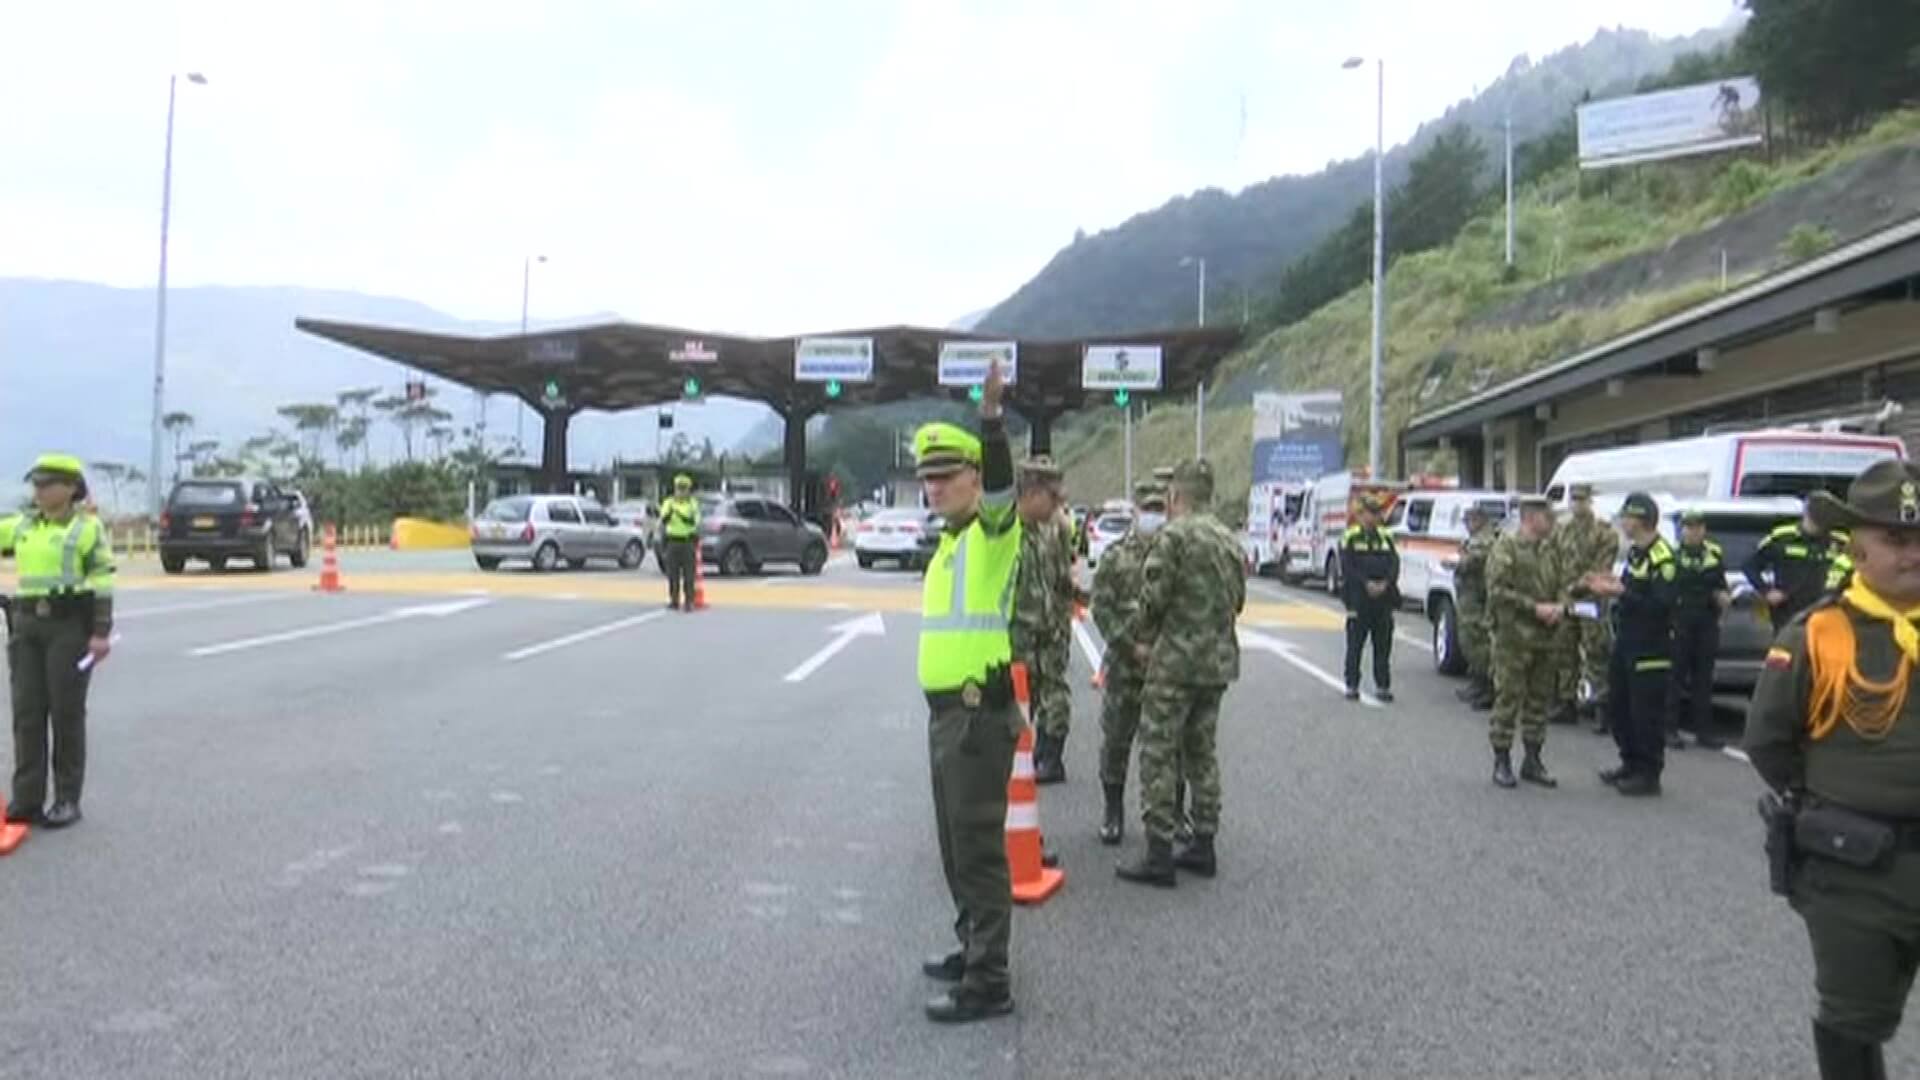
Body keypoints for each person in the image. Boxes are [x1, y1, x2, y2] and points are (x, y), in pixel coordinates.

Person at [1745, 459, 1920, 1080]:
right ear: (1858, 549)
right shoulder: (1816, 634)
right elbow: (1768, 741)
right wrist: (1832, 799)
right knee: (1852, 1026)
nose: (1913, 555)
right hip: (1858, 872)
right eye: (1897, 540)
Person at [913, 361, 1021, 1024]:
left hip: (977, 716)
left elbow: (1007, 491)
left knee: (978, 850)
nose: (934, 488)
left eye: (947, 477)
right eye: (928, 479)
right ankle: (971, 947)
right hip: (947, 716)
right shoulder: (949, 545)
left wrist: (990, 420)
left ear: (977, 479)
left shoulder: (991, 533)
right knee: (955, 847)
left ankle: (989, 981)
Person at [1115, 459, 1244, 886]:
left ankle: (1158, 852)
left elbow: (1152, 601)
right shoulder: (1228, 539)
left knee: (1158, 751)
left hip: (1174, 665)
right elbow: (1238, 601)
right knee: (1201, 752)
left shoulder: (1175, 536)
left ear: (1175, 497)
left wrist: (1134, 637)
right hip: (1217, 663)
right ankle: (1203, 842)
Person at [2, 455, 115, 829]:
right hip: (25, 626)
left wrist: (100, 633)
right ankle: (27, 798)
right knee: (27, 714)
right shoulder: (22, 527)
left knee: (65, 713)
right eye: (35, 483)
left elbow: (102, 581)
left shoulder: (88, 529)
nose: (39, 490)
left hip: (68, 627)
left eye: (47, 483)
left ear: (70, 488)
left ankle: (67, 798)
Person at [1090, 480, 1167, 845]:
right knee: (1117, 742)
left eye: (1159, 508)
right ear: (1135, 511)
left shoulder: (1175, 555)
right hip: (1125, 666)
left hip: (1166, 668)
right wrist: (1127, 644)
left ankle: (1166, 819)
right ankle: (1112, 811)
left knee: (1166, 747)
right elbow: (1100, 608)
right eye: (1147, 508)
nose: (1153, 515)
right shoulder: (1115, 556)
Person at [1589, 492, 1677, 797]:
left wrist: (1621, 593)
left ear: (1641, 520)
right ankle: (1629, 762)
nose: (1623, 523)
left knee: (1646, 714)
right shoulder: (1637, 553)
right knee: (1618, 707)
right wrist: (1614, 587)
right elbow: (1630, 590)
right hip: (1627, 642)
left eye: (1627, 517)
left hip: (1650, 647)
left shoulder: (1662, 557)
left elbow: (1662, 605)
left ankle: (1648, 773)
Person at [1484, 496, 1562, 789]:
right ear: (1530, 517)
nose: (1551, 519)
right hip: (1513, 638)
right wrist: (1534, 608)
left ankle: (1533, 760)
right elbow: (1497, 590)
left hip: (1545, 637)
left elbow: (1562, 583)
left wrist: (1560, 606)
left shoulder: (1549, 550)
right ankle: (1501, 760)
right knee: (1508, 699)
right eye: (1546, 515)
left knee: (1539, 700)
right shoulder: (1507, 547)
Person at [1011, 456, 1076, 784]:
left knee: (1054, 698)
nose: (1059, 504)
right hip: (1015, 641)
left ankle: (1049, 757)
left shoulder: (1047, 532)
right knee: (1017, 709)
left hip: (1047, 636)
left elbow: (1060, 579)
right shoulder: (1006, 534)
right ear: (1032, 493)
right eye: (1052, 496)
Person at [1552, 484, 1621, 732]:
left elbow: (1603, 568)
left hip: (1591, 599)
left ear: (1590, 501)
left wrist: (1580, 585)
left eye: (1581, 500)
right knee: (1564, 649)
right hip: (1567, 599)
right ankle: (1566, 702)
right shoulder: (1562, 529)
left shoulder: (1604, 532)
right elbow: (1554, 560)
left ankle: (1604, 709)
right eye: (1574, 499)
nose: (1577, 504)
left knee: (1596, 652)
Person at [1670, 509, 1731, 750]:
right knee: (1675, 677)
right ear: (1681, 530)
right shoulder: (1673, 557)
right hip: (1680, 620)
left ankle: (1704, 732)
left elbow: (1720, 585)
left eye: (1697, 527)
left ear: (1704, 530)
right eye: (1688, 527)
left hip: (1706, 621)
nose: (1693, 531)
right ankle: (1669, 729)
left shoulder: (1713, 555)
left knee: (1703, 679)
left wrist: (1723, 598)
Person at [1745, 499, 1849, 635]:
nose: (1820, 526)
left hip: (1828, 611)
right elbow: (1750, 566)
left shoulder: (1840, 542)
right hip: (1789, 612)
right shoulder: (1782, 537)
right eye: (1816, 520)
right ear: (1806, 514)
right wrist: (1766, 591)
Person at [1339, 494, 1399, 703]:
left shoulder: (1386, 537)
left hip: (1383, 600)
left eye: (1376, 514)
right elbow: (1347, 567)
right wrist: (1366, 584)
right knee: (1355, 644)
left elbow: (1394, 564)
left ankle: (1382, 685)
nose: (1371, 518)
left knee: (1383, 645)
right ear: (1360, 515)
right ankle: (1352, 684)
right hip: (1358, 599)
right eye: (1368, 514)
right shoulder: (1350, 536)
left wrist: (1385, 583)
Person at [1453, 504, 1499, 711]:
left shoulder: (1486, 539)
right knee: (1469, 642)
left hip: (1479, 599)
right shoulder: (1475, 539)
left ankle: (1488, 688)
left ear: (1479, 520)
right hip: (1469, 598)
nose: (1467, 526)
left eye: (1469, 521)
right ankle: (1477, 683)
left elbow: (1472, 562)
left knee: (1480, 643)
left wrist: (1463, 558)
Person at [659, 474, 700, 612]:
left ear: (688, 490)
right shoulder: (669, 502)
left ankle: (689, 601)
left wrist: (681, 515)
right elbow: (663, 519)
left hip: (687, 542)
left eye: (684, 489)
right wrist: (670, 513)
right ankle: (674, 600)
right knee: (672, 574)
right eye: (679, 488)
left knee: (689, 574)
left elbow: (694, 521)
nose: (681, 492)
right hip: (672, 541)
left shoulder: (692, 503)